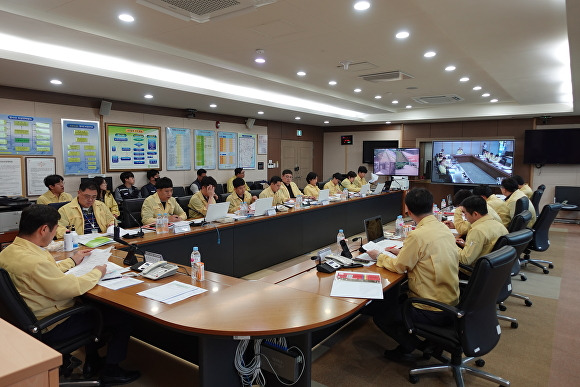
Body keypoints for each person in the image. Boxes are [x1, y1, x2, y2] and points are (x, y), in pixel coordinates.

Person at [0, 205, 140, 385]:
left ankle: (93, 361)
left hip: (26, 321)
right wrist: (97, 272)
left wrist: (72, 260)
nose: (53, 236)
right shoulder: (33, 261)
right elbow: (69, 288)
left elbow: (46, 274)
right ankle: (111, 371)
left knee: (96, 309)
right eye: (54, 230)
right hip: (52, 325)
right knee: (121, 317)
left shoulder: (10, 251)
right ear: (43, 229)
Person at [366, 188, 459, 362]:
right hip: (451, 300)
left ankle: (414, 345)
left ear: (407, 209)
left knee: (381, 316)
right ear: (432, 206)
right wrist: (400, 251)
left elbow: (400, 267)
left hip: (430, 307)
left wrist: (379, 256)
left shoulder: (417, 236)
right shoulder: (442, 227)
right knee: (398, 299)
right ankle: (418, 342)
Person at [455, 196, 508, 267]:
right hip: (494, 269)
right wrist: (466, 245)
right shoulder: (499, 225)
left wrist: (451, 245)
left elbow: (465, 260)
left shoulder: (477, 231)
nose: (465, 217)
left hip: (473, 271)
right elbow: (486, 248)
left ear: (475, 214)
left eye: (465, 214)